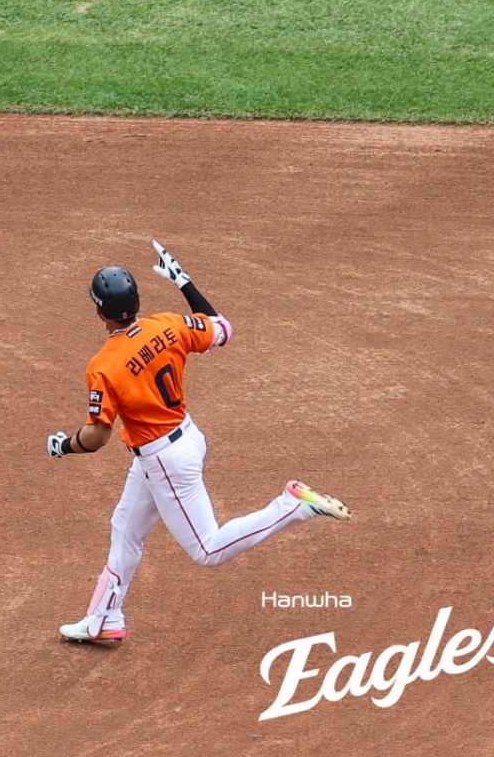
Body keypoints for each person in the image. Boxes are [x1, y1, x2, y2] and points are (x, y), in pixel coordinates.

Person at [48, 241, 351, 642]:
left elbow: (97, 436)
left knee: (208, 550)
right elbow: (221, 328)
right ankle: (106, 618)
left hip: (165, 461)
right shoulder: (168, 324)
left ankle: (292, 506)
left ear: (98, 310)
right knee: (125, 527)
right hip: (182, 439)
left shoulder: (104, 366)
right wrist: (184, 282)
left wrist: (64, 445)